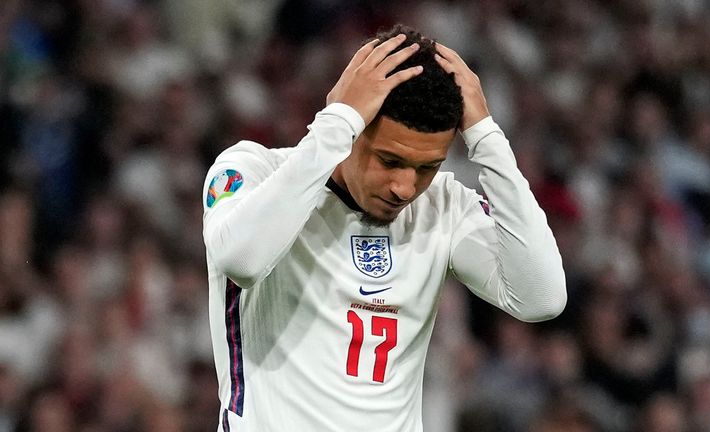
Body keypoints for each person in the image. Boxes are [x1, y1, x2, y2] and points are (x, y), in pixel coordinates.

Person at [202, 24, 567, 431]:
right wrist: (336, 122)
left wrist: (486, 136)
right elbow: (243, 260)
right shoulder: (252, 172)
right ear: (353, 129)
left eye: (427, 167)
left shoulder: (444, 205)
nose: (405, 187)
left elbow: (542, 297)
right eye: (390, 161)